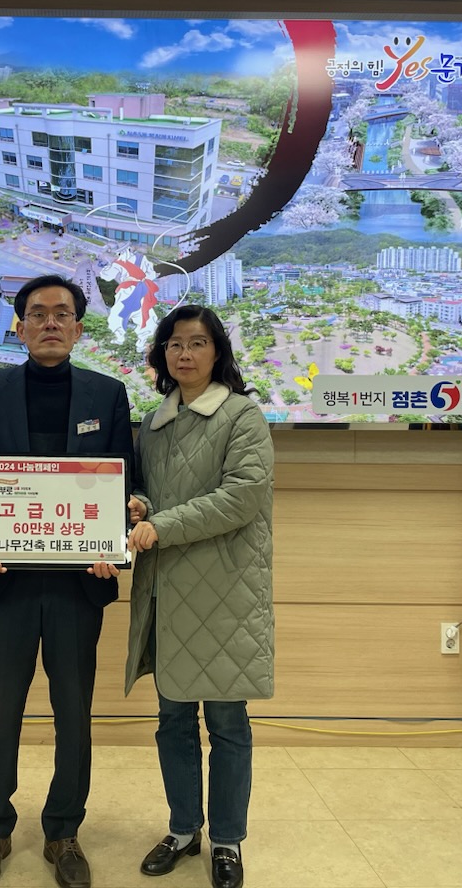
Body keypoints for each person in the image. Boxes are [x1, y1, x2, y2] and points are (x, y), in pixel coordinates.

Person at [0, 274, 133, 888]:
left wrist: (114, 541)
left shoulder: (108, 394)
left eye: (63, 313)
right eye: (38, 313)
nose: (51, 322)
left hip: (77, 585)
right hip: (5, 579)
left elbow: (127, 481)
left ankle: (63, 831)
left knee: (73, 712)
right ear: (20, 326)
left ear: (79, 328)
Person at [125, 305, 274, 888]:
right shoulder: (153, 422)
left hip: (225, 590)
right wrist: (138, 504)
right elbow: (148, 488)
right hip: (167, 588)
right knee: (173, 720)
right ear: (162, 354)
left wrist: (160, 524)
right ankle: (184, 829)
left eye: (197, 343)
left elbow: (243, 496)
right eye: (174, 344)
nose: (184, 354)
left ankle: (228, 840)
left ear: (218, 352)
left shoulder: (242, 414)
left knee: (228, 722)